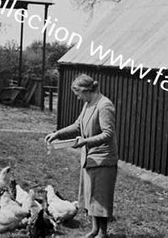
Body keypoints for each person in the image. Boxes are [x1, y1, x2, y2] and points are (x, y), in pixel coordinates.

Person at [45, 74, 118, 238]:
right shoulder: (88, 104)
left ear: (86, 90)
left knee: (100, 197)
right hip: (90, 157)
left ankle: (102, 233)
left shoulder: (104, 105)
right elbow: (78, 125)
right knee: (90, 195)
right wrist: (57, 134)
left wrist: (85, 141)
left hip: (103, 159)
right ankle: (94, 229)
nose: (77, 97)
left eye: (78, 93)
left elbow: (108, 134)